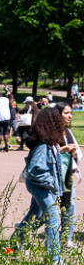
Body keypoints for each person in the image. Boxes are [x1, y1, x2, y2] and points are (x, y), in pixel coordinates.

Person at [12, 107, 68, 264]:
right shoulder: (43, 146)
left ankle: (13, 245)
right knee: (53, 218)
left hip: (42, 186)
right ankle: (54, 259)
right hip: (40, 186)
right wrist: (52, 184)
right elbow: (36, 170)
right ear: (53, 123)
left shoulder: (49, 144)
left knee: (34, 217)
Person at [58, 103, 81, 249]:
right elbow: (46, 153)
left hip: (68, 174)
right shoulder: (50, 132)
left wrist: (72, 152)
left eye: (70, 113)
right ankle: (21, 236)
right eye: (66, 113)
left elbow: (75, 152)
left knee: (69, 207)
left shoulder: (67, 131)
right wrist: (62, 149)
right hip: (53, 177)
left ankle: (67, 239)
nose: (70, 116)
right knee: (41, 212)